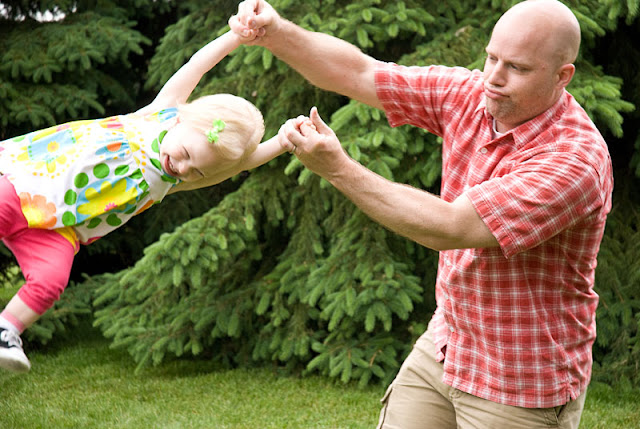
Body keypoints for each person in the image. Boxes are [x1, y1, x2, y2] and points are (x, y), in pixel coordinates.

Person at [230, 0, 613, 428]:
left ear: (563, 76)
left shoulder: (573, 161)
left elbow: (451, 227)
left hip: (519, 378)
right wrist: (275, 31)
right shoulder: (470, 95)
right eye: (491, 58)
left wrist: (338, 168)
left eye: (517, 68)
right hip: (449, 343)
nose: (493, 77)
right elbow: (359, 72)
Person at [0, 29, 285, 373]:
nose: (182, 167)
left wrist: (281, 143)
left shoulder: (169, 181)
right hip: (27, 186)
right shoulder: (158, 114)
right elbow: (196, 66)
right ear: (181, 119)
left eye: (196, 171)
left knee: (51, 280)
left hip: (61, 231)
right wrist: (235, 37)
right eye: (185, 153)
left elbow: (237, 166)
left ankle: (6, 330)